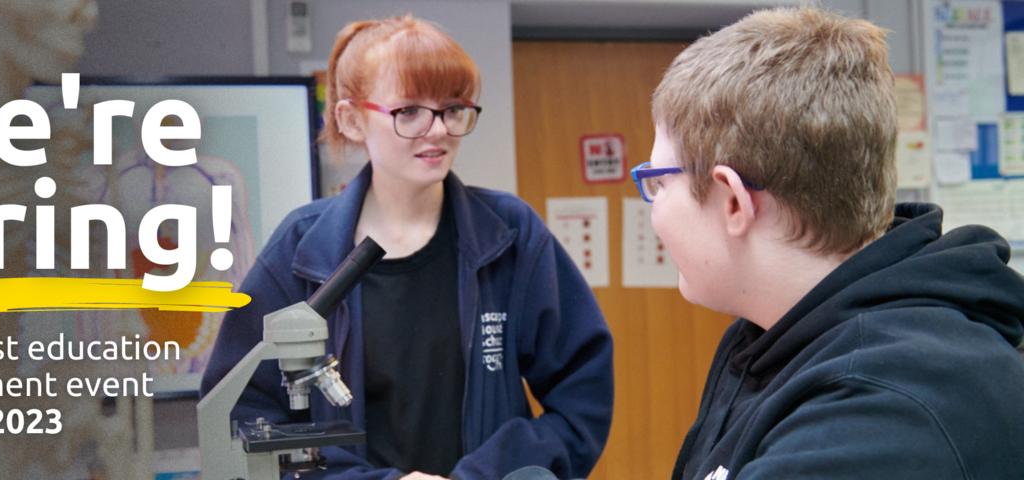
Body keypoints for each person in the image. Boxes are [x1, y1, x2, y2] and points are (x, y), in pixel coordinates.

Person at [200, 14, 614, 480]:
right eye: (409, 111)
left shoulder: (509, 234)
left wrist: (485, 474)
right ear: (352, 120)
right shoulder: (301, 249)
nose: (437, 129)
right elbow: (245, 417)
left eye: (452, 108)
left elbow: (582, 398)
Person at [631, 7, 1024, 479]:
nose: (654, 210)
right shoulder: (772, 337)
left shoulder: (882, 410)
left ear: (732, 200)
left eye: (658, 181)